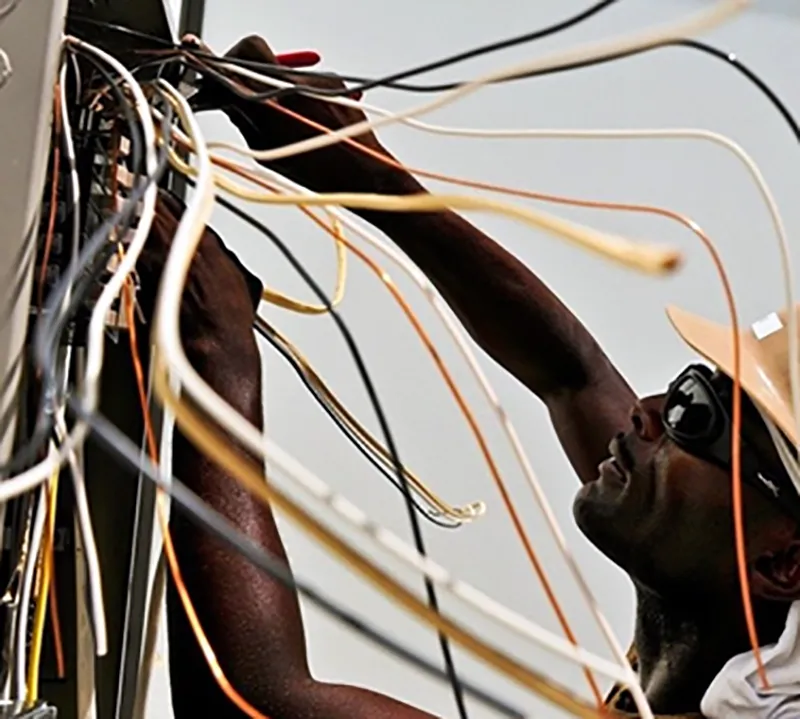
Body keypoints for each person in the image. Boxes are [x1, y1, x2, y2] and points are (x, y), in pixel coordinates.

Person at [140, 35, 800, 719]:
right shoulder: (716, 636)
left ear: (785, 562)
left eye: (696, 415)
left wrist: (216, 361)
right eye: (689, 382)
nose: (650, 408)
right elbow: (570, 371)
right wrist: (373, 177)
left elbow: (252, 701)